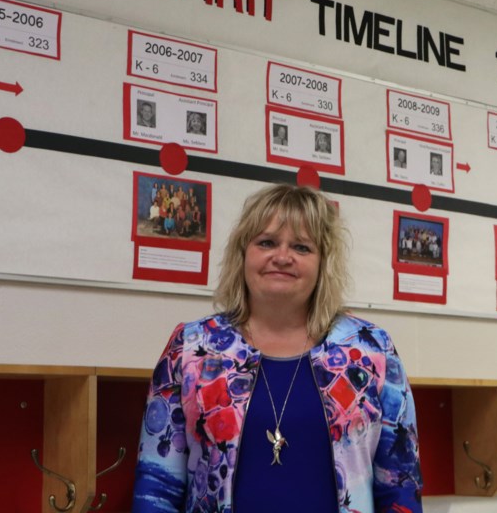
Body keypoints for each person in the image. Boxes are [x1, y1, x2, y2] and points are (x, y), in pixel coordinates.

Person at [133, 184, 423, 513]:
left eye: (301, 247)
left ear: (323, 263)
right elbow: (157, 488)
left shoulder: (371, 350)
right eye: (267, 242)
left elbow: (400, 485)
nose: (282, 257)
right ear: (243, 253)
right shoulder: (191, 348)